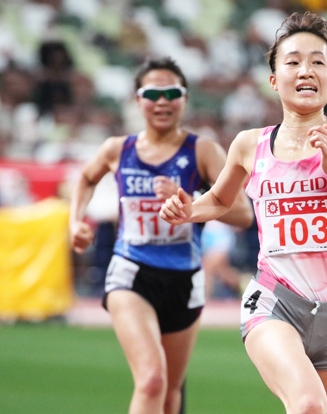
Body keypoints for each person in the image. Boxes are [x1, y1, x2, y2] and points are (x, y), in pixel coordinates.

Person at [160, 12, 327, 414]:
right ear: (274, 81)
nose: (307, 70)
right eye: (293, 61)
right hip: (275, 301)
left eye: (318, 62)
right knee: (307, 405)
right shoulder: (250, 145)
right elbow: (218, 199)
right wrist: (187, 211)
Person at [69, 56, 253, 414]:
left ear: (185, 99)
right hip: (131, 272)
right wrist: (75, 221)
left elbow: (244, 213)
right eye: (153, 93)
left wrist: (192, 201)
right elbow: (86, 178)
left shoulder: (202, 151)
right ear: (138, 100)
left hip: (184, 279)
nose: (163, 101)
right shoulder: (116, 149)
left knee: (170, 394)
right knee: (151, 379)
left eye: (173, 92)